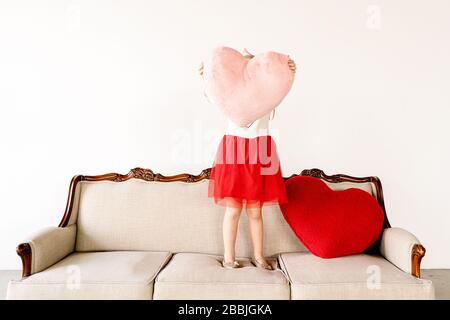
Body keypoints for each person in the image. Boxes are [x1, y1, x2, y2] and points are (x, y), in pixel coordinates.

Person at [200, 49, 296, 270]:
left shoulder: (267, 96)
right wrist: (204, 73)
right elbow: (212, 92)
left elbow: (282, 86)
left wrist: (290, 70)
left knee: (255, 211)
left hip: (260, 151)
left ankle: (259, 256)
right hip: (234, 151)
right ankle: (228, 257)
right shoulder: (230, 95)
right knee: (233, 210)